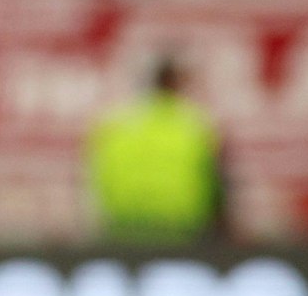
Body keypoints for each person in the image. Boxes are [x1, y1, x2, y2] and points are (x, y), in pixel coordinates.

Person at [88, 54, 228, 241]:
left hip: (124, 231)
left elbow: (98, 178)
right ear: (177, 84)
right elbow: (217, 184)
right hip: (182, 233)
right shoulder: (196, 126)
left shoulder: (115, 126)